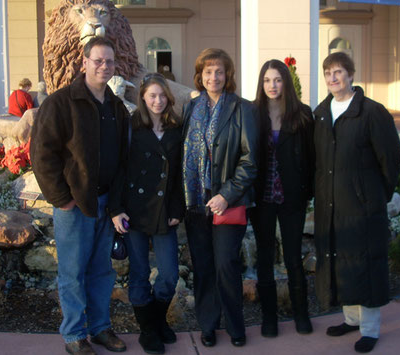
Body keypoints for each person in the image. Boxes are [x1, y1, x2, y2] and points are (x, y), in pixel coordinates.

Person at [30, 37, 129, 355]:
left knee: (102, 270)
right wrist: (61, 198)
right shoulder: (61, 103)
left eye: (109, 62)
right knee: (72, 272)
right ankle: (74, 334)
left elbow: (124, 157)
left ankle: (99, 329)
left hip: (106, 204)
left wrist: (116, 204)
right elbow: (42, 153)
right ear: (83, 62)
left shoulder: (115, 106)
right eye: (98, 60)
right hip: (75, 205)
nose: (104, 66)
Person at [313, 52, 400, 354]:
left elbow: (391, 158)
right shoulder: (322, 113)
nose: (333, 78)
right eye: (328, 73)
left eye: (338, 72)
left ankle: (370, 329)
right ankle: (351, 319)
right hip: (331, 206)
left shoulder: (371, 112)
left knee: (365, 263)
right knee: (342, 261)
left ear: (351, 75)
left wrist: (377, 195)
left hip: (362, 206)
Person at [182, 48, 258, 348]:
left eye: (219, 71)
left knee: (226, 263)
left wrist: (227, 195)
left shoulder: (242, 108)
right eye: (208, 71)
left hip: (228, 203)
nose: (213, 77)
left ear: (228, 76)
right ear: (200, 76)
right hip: (196, 203)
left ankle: (235, 325)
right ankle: (208, 324)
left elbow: (250, 160)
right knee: (203, 266)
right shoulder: (191, 108)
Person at [112, 73, 183, 354]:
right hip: (135, 210)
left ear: (169, 98)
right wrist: (115, 209)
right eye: (152, 95)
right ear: (142, 97)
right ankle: (149, 331)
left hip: (166, 211)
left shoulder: (176, 129)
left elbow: (179, 174)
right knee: (140, 272)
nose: (158, 100)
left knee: (169, 274)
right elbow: (119, 170)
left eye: (162, 96)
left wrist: (178, 208)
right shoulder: (131, 127)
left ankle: (155, 320)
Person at [250, 59, 315, 338]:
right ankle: (269, 318)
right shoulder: (252, 114)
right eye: (267, 80)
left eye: (277, 80)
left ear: (285, 82)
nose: (272, 86)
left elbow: (312, 158)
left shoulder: (302, 114)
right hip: (261, 198)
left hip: (292, 198)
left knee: (292, 257)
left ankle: (301, 314)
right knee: (264, 258)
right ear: (261, 84)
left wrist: (307, 192)